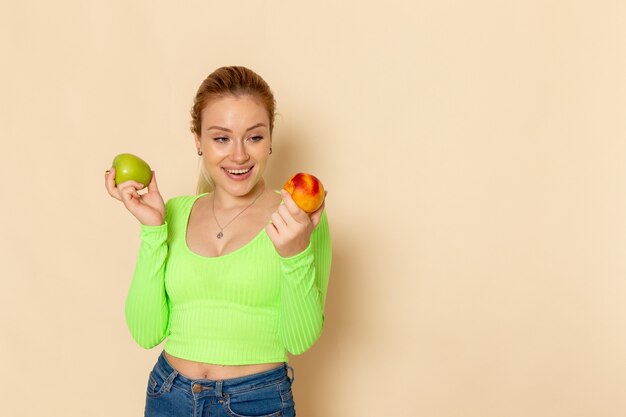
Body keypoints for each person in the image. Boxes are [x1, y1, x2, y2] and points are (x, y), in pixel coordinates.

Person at [104, 66, 331, 417]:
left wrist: (295, 254)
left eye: (254, 137)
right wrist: (153, 229)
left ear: (270, 139)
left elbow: (299, 340)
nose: (238, 155)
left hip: (257, 401)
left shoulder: (296, 216)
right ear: (198, 140)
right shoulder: (174, 212)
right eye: (221, 138)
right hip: (169, 395)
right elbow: (146, 332)